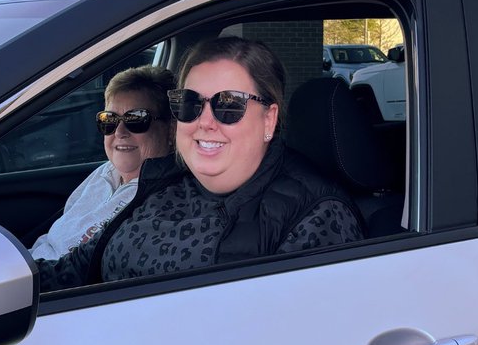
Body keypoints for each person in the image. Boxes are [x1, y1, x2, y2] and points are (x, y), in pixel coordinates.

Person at [37, 36, 363, 289]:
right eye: (189, 103)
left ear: (269, 119)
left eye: (229, 105)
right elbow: (74, 270)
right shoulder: (161, 182)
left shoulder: (317, 218)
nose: (204, 122)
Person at [29, 64, 175, 260]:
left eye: (136, 119)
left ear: (171, 129)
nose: (119, 132)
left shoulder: (164, 199)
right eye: (110, 119)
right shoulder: (104, 172)